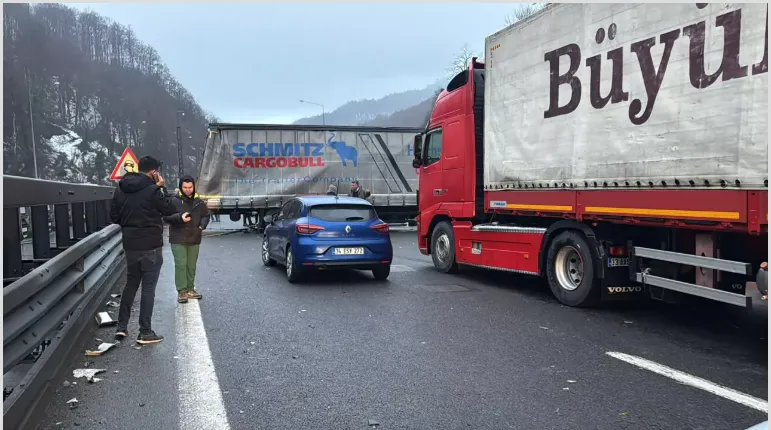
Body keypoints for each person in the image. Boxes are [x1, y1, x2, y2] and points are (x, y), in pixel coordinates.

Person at [110, 156, 189, 345]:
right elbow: (169, 209)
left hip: (130, 244)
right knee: (148, 288)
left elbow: (114, 216)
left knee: (131, 284)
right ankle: (145, 331)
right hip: (150, 245)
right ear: (154, 172)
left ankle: (122, 327)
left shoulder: (120, 188)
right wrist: (161, 187)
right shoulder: (153, 190)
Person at [164, 175, 210, 304]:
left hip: (194, 237)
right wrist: (179, 218)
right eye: (185, 187)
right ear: (180, 187)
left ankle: (190, 289)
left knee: (191, 265)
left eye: (190, 187)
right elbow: (166, 217)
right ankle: (182, 291)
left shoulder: (199, 202)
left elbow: (206, 215)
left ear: (194, 187)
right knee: (181, 265)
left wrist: (201, 226)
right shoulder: (173, 201)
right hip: (178, 238)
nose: (188, 190)